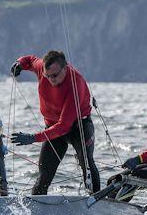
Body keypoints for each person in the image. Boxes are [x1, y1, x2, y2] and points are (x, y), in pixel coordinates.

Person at [10, 50, 100, 195]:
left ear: (65, 68)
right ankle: (37, 207)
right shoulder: (43, 68)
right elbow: (30, 60)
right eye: (47, 76)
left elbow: (64, 126)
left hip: (78, 127)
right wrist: (20, 63)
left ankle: (97, 200)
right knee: (44, 173)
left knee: (86, 163)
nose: (51, 79)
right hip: (53, 128)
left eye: (55, 75)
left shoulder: (75, 84)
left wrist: (33, 138)